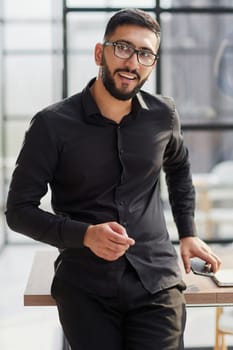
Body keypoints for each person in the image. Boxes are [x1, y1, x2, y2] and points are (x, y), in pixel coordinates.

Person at [6, 8, 221, 350]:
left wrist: (188, 233)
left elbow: (179, 169)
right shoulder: (51, 125)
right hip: (85, 285)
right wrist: (86, 235)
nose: (132, 62)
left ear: (152, 62)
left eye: (145, 53)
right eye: (122, 47)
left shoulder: (164, 115)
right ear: (99, 52)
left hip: (157, 281)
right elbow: (18, 211)